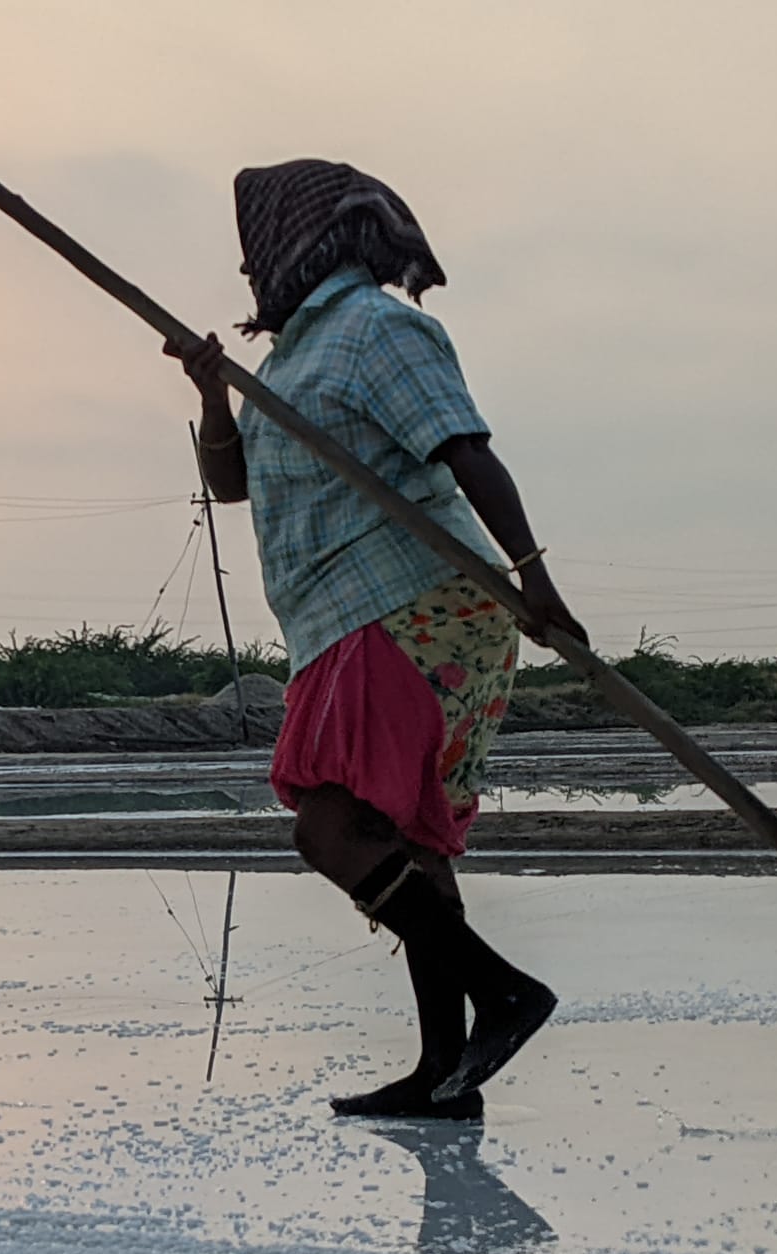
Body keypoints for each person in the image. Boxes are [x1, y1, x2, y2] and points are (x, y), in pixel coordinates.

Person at [165, 158, 587, 1120]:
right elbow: (230, 487)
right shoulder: (289, 363)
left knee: (331, 827)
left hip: (408, 599)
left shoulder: (375, 328)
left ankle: (505, 994)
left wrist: (535, 576)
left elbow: (463, 447)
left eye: (257, 255)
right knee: (405, 843)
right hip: (343, 614)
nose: (250, 276)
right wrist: (214, 394)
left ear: (302, 245)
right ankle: (446, 1074)